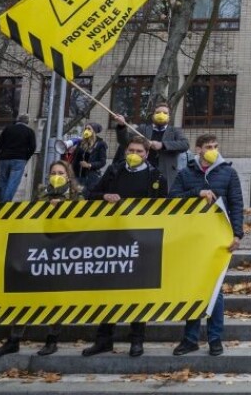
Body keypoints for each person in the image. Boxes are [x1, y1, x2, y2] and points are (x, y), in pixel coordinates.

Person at [83, 136, 167, 357]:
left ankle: (136, 339)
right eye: (131, 150)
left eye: (140, 151)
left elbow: (165, 210)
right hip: (112, 242)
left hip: (142, 243)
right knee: (108, 291)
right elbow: (89, 195)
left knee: (138, 292)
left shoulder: (156, 176)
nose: (135, 154)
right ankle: (104, 339)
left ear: (147, 155)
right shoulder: (113, 171)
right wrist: (104, 196)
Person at [0, 160, 84, 357]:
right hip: (39, 250)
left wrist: (63, 207)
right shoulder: (40, 195)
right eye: (53, 172)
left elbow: (83, 221)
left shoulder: (77, 196)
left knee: (56, 298)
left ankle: (52, 340)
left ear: (68, 176)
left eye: (60, 172)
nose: (56, 175)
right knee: (26, 295)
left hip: (64, 253)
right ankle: (14, 339)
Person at [171, 134, 243, 357]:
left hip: (218, 240)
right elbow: (172, 199)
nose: (212, 149)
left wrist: (238, 234)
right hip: (191, 239)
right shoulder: (186, 173)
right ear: (199, 149)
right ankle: (190, 338)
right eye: (208, 147)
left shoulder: (228, 172)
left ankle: (214, 338)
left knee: (215, 291)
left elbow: (236, 203)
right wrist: (196, 193)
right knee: (193, 287)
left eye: (215, 146)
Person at [112, 102, 188, 190]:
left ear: (169, 117)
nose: (161, 115)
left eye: (165, 113)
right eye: (158, 112)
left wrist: (162, 145)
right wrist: (122, 126)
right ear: (153, 116)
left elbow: (185, 144)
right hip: (143, 172)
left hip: (166, 173)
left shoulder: (175, 131)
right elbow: (124, 142)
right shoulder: (142, 129)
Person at [0, 113, 36, 202]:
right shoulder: (29, 131)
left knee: (3, 181)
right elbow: (32, 147)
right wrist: (26, 157)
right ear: (27, 122)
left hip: (4, 158)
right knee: (13, 182)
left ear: (17, 120)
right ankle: (6, 203)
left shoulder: (8, 129)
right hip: (19, 159)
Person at [70, 122, 108, 195]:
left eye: (89, 129)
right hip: (78, 176)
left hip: (91, 178)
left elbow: (102, 162)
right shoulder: (81, 143)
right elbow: (75, 159)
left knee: (89, 196)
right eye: (85, 129)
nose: (86, 131)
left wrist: (89, 165)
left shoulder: (101, 144)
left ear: (94, 131)